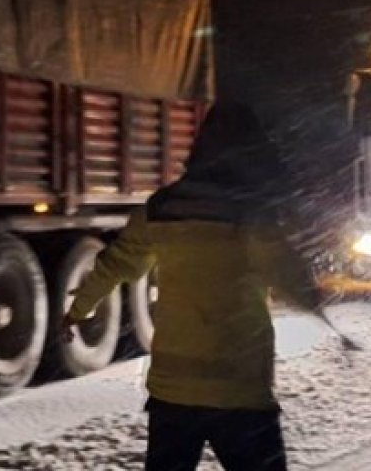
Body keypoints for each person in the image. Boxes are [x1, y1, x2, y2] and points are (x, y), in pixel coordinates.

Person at [63, 101, 322, 471]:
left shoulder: (164, 207)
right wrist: (313, 297)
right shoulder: (252, 215)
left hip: (173, 394)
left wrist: (77, 310)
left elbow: (114, 265)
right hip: (239, 393)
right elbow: (292, 282)